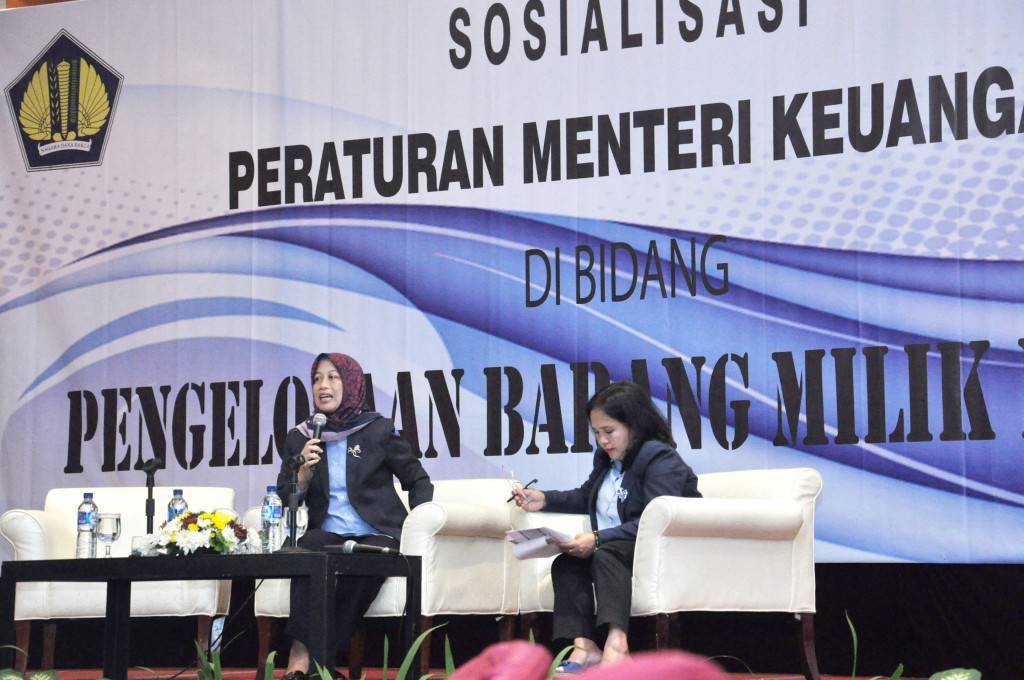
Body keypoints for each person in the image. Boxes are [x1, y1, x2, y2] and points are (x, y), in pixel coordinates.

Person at [511, 381, 701, 673]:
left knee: (605, 553)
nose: (602, 440)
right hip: (616, 547)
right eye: (597, 432)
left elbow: (655, 520)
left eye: (609, 431)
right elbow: (586, 496)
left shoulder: (660, 459)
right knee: (567, 563)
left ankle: (617, 645)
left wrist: (598, 538)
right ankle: (584, 648)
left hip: (659, 549)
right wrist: (545, 499)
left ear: (634, 426)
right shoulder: (606, 459)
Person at [277, 352, 433, 680]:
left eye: (333, 377)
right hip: (328, 533)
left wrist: (419, 525)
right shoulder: (301, 437)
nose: (323, 385)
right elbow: (285, 496)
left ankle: (320, 663)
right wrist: (301, 472)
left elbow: (418, 480)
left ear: (350, 383)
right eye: (317, 378)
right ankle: (300, 657)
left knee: (364, 560)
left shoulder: (377, 429)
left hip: (376, 531)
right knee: (307, 550)